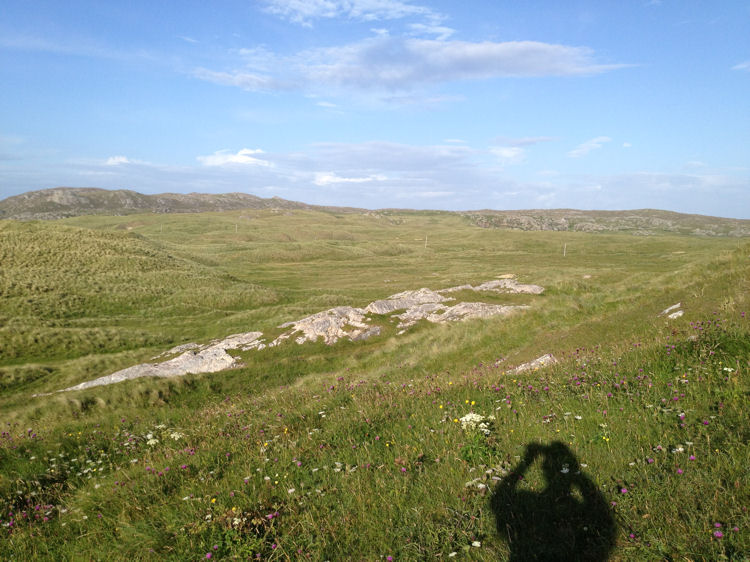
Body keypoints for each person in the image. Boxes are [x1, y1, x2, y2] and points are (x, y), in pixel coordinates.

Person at [491, 441, 616, 561]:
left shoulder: (531, 506)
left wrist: (527, 460)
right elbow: (602, 514)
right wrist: (578, 475)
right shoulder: (574, 509)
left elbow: (498, 499)